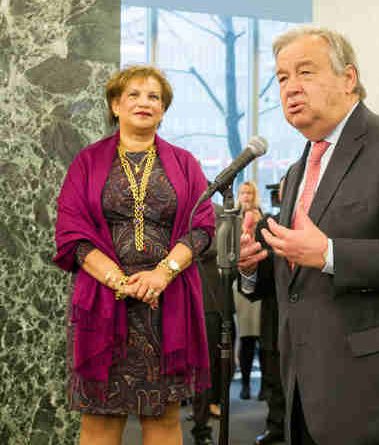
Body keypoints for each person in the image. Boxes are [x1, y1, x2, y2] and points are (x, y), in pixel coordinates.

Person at [237, 26, 379, 444]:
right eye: (282, 78)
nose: (291, 88)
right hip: (307, 389)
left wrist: (331, 254)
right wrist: (255, 268)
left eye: (306, 72)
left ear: (348, 78)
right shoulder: (298, 169)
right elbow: (298, 279)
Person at [53, 65, 214, 445]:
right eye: (135, 95)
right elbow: (71, 232)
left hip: (167, 304)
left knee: (162, 418)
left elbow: (201, 227)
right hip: (103, 305)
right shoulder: (87, 162)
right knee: (100, 421)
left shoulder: (186, 163)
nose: (145, 102)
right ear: (115, 105)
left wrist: (162, 274)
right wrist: (119, 281)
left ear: (163, 109)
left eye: (154, 96)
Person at [250, 179, 287, 445]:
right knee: (274, 377)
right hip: (274, 312)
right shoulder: (266, 225)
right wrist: (248, 265)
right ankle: (275, 426)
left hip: (312, 317)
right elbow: (255, 284)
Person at [191, 203, 224, 445]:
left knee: (209, 366)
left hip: (210, 301)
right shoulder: (178, 211)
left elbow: (214, 248)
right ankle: (200, 424)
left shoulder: (218, 212)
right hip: (181, 300)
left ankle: (202, 429)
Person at [234, 181, 265, 400]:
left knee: (263, 336)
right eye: (243, 192)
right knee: (246, 336)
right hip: (240, 279)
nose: (245, 196)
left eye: (249, 192)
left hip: (262, 278)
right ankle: (245, 384)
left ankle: (263, 385)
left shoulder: (262, 218)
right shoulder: (231, 216)